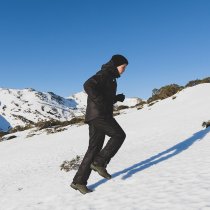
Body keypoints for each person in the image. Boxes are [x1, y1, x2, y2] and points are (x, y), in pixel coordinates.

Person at [71, 54, 128, 194]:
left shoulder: (111, 77)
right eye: (123, 67)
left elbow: (104, 96)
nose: (124, 70)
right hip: (99, 115)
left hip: (96, 115)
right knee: (119, 135)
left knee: (94, 148)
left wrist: (115, 98)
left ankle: (79, 182)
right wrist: (101, 102)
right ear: (116, 65)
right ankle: (99, 163)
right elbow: (88, 85)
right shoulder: (105, 74)